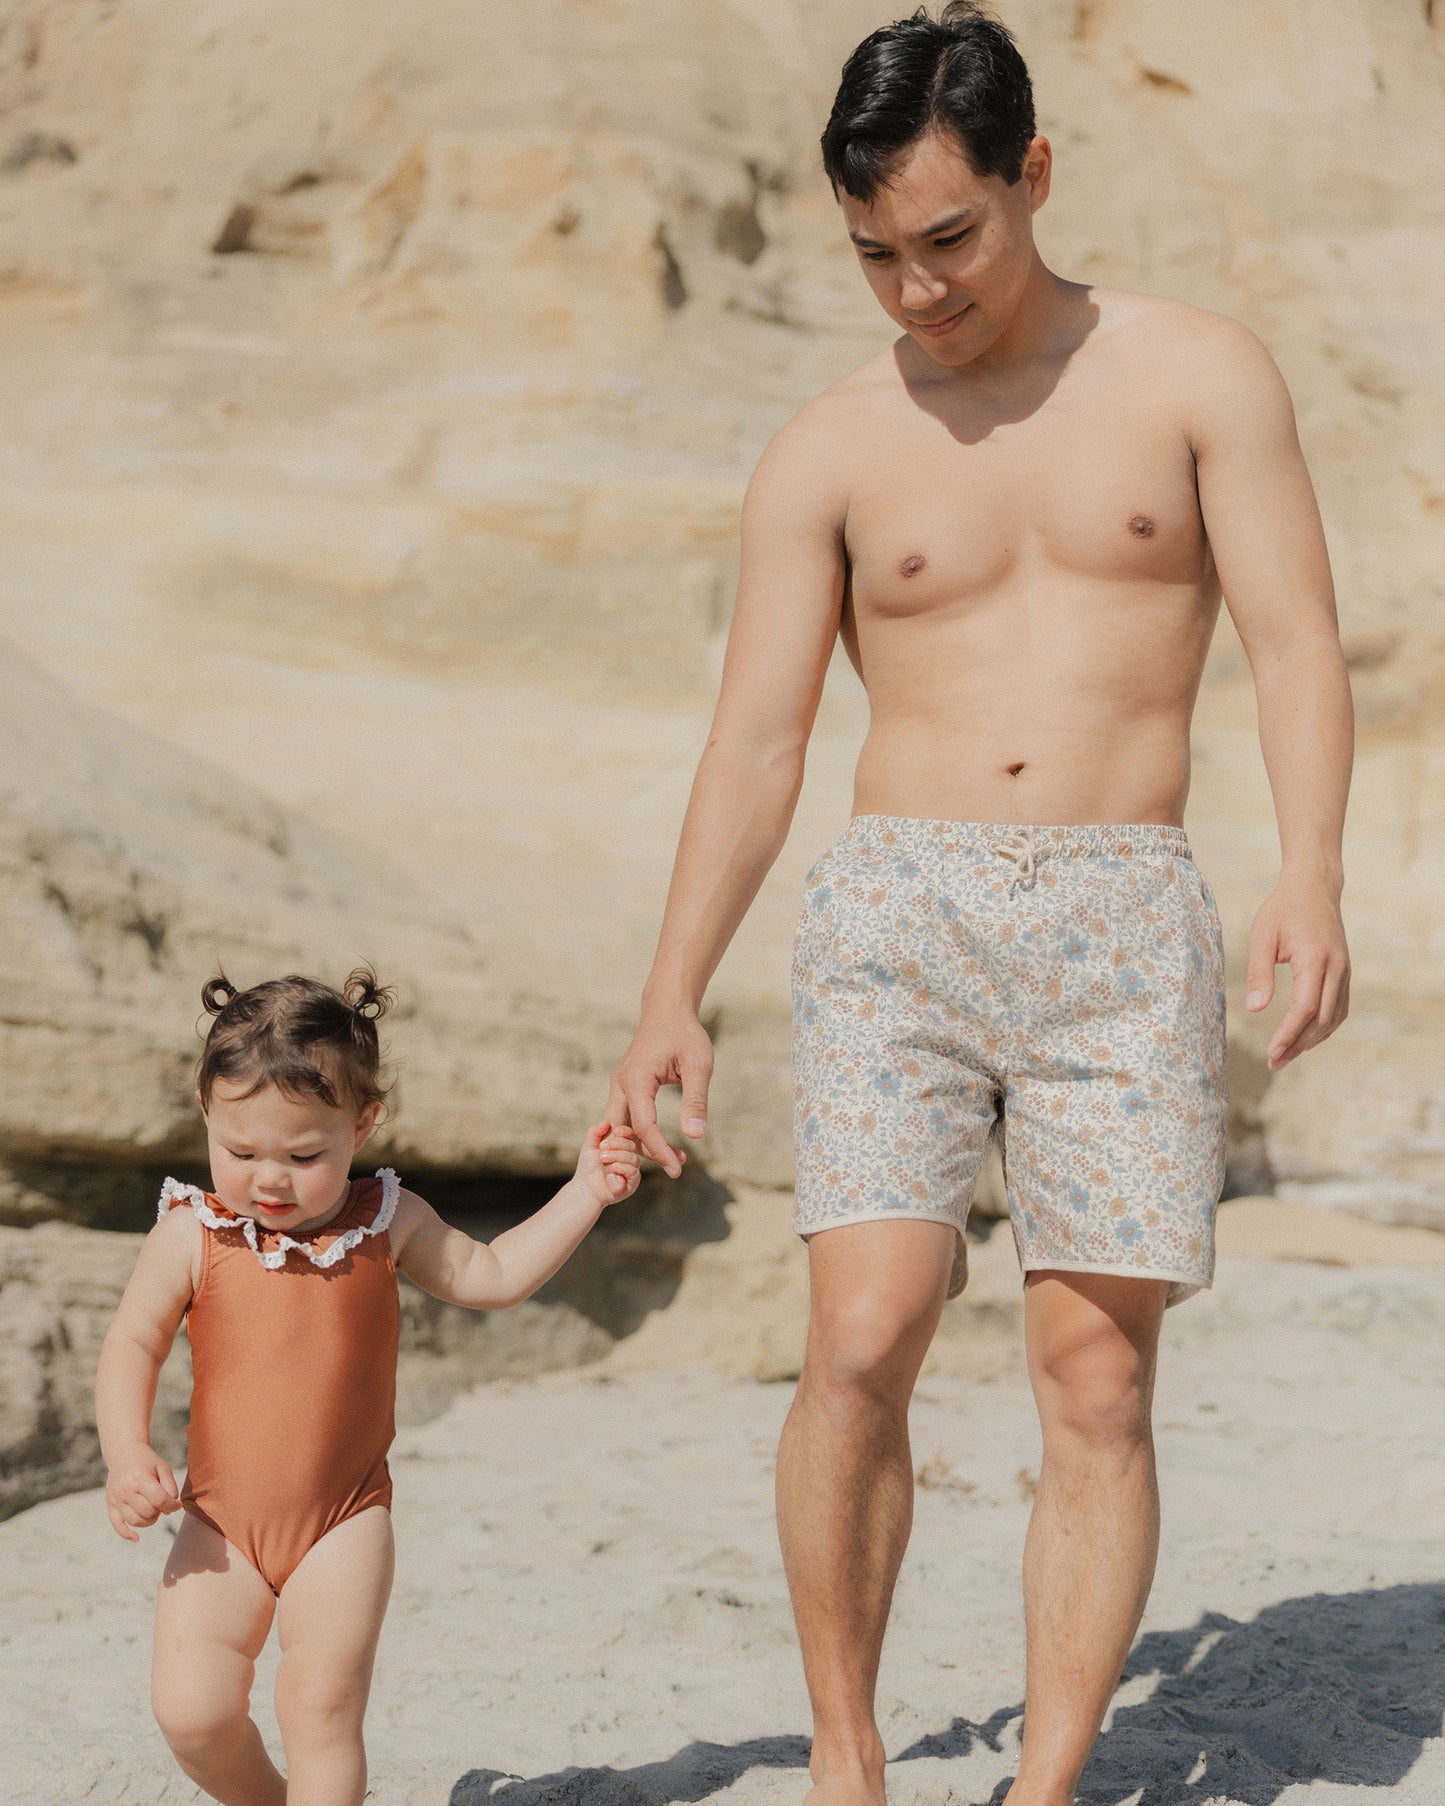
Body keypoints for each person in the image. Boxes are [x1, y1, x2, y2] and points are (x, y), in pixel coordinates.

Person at [607, 5, 1352, 1802]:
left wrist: (1312, 868)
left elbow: (1296, 644)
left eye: (949, 237)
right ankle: (847, 1758)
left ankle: (1045, 1782)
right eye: (875, 254)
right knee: (862, 1339)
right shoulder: (830, 447)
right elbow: (759, 742)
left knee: (1095, 1382)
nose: (917, 288)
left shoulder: (1200, 376)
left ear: (1035, 174)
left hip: (1122, 914)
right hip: (898, 916)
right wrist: (670, 990)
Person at [96, 968, 640, 1806]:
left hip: (343, 1522)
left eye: (303, 1156)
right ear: (205, 1112)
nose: (269, 1179)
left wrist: (585, 1192)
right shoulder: (191, 1235)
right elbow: (132, 1343)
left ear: (363, 1124)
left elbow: (492, 1275)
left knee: (319, 1709)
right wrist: (127, 1452)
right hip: (219, 1522)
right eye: (240, 1152)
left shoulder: (388, 1220)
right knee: (192, 1714)